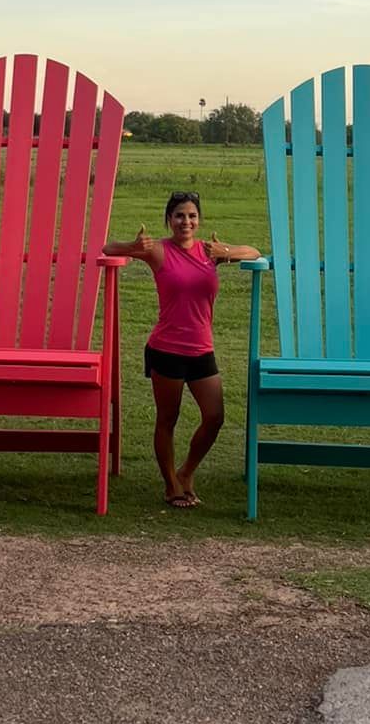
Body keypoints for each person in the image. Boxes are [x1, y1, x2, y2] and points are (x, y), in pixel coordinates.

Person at [103, 191, 260, 508]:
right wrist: (134, 248)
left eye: (191, 216)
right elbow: (107, 247)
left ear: (199, 220)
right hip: (167, 349)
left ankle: (187, 471)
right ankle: (171, 484)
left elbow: (254, 251)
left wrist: (226, 252)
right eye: (179, 216)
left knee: (214, 416)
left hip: (202, 350)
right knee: (167, 419)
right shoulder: (158, 250)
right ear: (169, 220)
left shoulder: (210, 251)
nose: (185, 221)